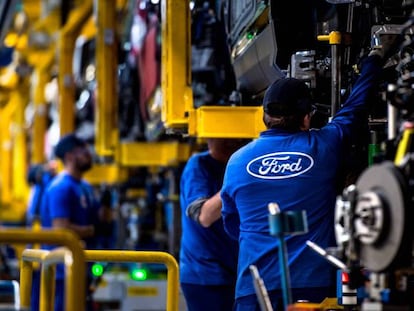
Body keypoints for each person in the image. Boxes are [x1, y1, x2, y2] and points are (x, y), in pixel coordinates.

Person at [220, 39, 399, 310]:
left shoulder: (236, 162)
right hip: (312, 288)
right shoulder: (323, 146)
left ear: (264, 116)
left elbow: (233, 225)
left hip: (254, 288)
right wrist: (374, 59)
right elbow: (356, 107)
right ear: (306, 118)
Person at [179, 138, 249, 311]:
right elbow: (204, 216)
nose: (234, 140)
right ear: (207, 138)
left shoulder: (243, 164)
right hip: (206, 275)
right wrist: (236, 178)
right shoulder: (198, 166)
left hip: (238, 273)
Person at [39, 133, 99, 311]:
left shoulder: (85, 186)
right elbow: (61, 229)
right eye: (83, 150)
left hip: (81, 267)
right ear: (69, 156)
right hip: (62, 271)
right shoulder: (61, 187)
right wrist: (91, 230)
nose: (89, 154)